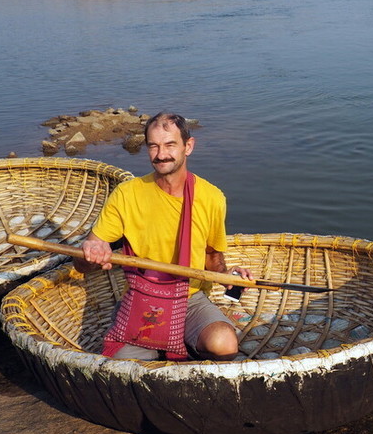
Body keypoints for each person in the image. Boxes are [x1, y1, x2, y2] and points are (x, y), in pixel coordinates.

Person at [75, 112, 250, 361]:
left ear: (188, 146)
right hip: (142, 300)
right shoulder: (127, 194)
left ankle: (183, 347)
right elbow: (83, 263)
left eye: (170, 145)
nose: (161, 154)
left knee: (224, 343)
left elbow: (212, 256)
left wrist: (227, 276)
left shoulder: (211, 197)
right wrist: (91, 254)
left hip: (191, 299)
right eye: (153, 146)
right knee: (124, 363)